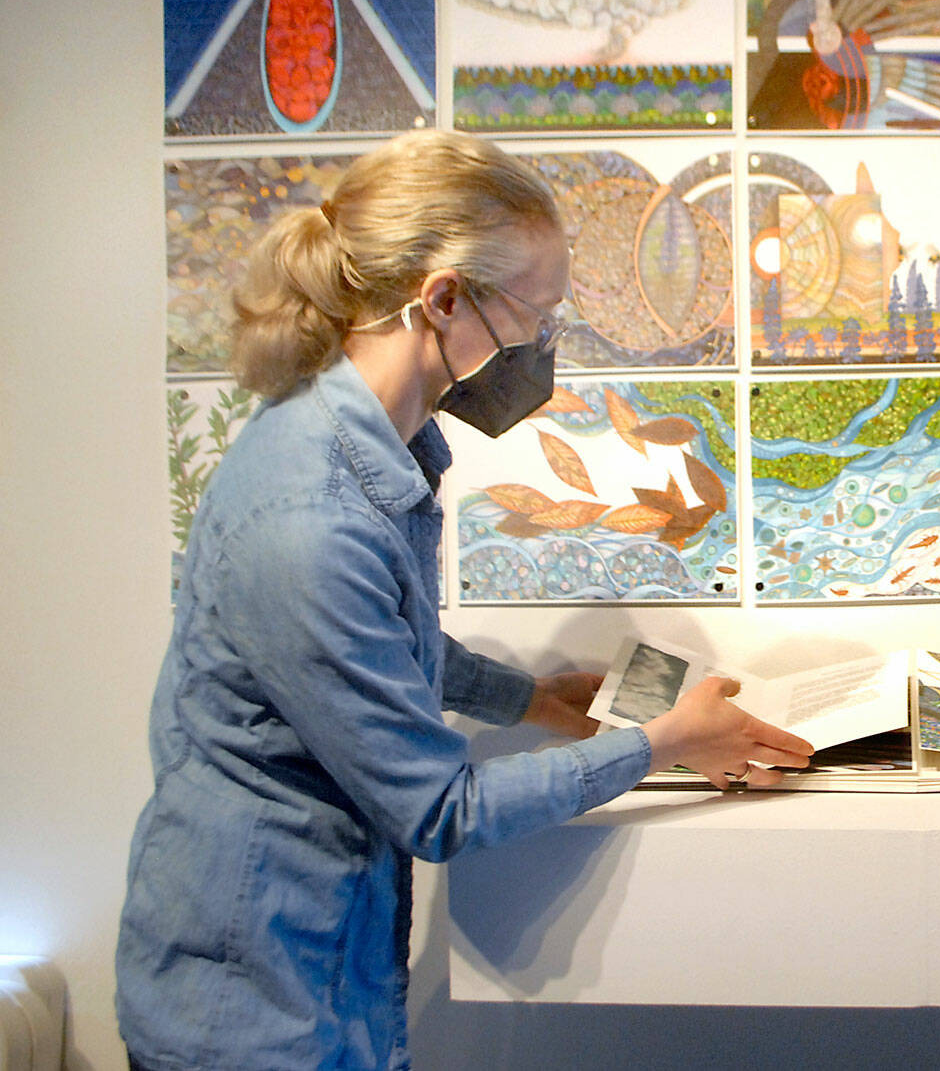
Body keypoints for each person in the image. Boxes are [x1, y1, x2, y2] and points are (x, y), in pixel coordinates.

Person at [116, 130, 812, 1071]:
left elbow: (375, 654)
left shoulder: (373, 450)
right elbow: (440, 810)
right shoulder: (309, 516)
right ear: (442, 298)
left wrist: (528, 698)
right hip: (256, 1012)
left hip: (314, 972)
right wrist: (662, 743)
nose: (541, 347)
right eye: (536, 315)